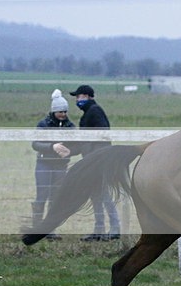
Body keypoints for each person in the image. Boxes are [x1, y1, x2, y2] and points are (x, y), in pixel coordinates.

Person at [70, 84, 120, 241]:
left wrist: (94, 157)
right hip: (92, 161)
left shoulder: (94, 111)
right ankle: (99, 229)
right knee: (96, 195)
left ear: (89, 96)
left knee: (103, 194)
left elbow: (102, 135)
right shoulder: (88, 113)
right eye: (77, 97)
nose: (78, 100)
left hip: (98, 162)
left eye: (81, 96)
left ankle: (114, 228)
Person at [30, 89, 75, 239]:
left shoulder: (70, 126)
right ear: (54, 111)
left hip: (61, 166)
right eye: (60, 111)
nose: (63, 114)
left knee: (55, 198)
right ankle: (37, 228)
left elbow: (76, 144)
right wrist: (52, 147)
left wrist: (69, 151)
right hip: (44, 164)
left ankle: (50, 230)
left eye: (65, 111)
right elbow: (35, 143)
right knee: (41, 196)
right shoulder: (43, 124)